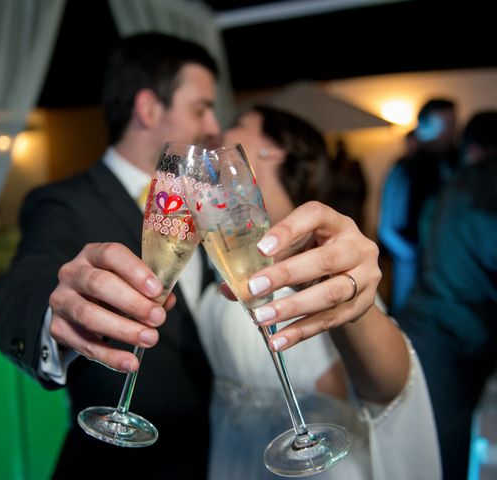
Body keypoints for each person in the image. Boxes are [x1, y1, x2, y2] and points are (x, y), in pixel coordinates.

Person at [0, 33, 222, 478]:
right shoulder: (64, 203)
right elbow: (20, 291)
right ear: (149, 108)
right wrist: (54, 318)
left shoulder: (207, 199)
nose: (213, 124)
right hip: (119, 468)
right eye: (200, 108)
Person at [196, 105, 440, 479]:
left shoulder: (324, 254)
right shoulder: (218, 246)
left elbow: (385, 387)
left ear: (273, 149)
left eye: (237, 124)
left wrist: (352, 306)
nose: (216, 131)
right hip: (232, 457)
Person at [398, 110, 497, 480]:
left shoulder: (454, 182)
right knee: (444, 454)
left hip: (426, 322)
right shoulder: (481, 186)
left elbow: (425, 232)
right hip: (453, 333)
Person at [378, 98, 458, 315]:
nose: (452, 131)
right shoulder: (404, 170)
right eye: (447, 124)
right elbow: (386, 228)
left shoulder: (453, 164)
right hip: (413, 269)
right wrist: (411, 257)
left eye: (453, 124)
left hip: (446, 271)